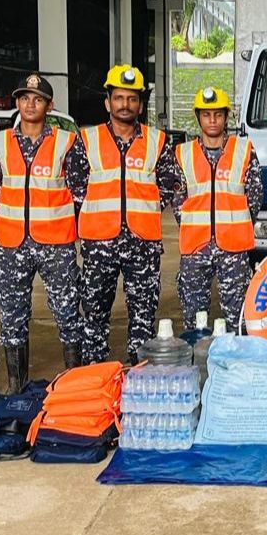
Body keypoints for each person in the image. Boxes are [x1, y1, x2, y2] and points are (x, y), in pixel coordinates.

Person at [0, 74, 89, 393]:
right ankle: (17, 385)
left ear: (50, 105)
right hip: (12, 243)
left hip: (56, 243)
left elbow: (80, 189)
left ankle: (73, 382)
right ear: (17, 103)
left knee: (68, 312)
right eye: (25, 98)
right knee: (13, 315)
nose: (30, 104)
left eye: (38, 98)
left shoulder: (66, 142)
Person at [77, 65, 180, 364]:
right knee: (94, 316)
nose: (126, 104)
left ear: (141, 104)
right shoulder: (87, 140)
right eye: (119, 98)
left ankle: (138, 378)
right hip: (99, 243)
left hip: (143, 243)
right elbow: (76, 186)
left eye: (132, 98)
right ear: (108, 102)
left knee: (143, 317)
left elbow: (168, 186)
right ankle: (95, 378)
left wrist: (143, 209)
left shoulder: (157, 142)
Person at [170, 87, 263, 333]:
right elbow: (177, 199)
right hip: (195, 247)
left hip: (234, 247)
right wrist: (193, 226)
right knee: (194, 318)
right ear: (198, 117)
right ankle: (199, 367)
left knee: (238, 318)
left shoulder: (243, 152)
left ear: (226, 117)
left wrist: (237, 225)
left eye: (218, 115)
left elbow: (254, 196)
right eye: (207, 114)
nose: (212, 120)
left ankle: (235, 367)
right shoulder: (182, 154)